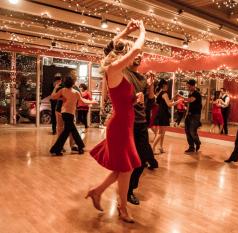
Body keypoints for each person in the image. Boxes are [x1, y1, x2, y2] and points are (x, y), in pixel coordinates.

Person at [87, 19, 145, 223]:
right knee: (127, 168)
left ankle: (98, 192)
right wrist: (142, 29)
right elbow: (137, 48)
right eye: (128, 54)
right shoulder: (113, 69)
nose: (135, 58)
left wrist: (134, 98)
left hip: (125, 125)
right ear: (122, 55)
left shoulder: (121, 73)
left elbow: (123, 99)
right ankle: (122, 208)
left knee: (123, 167)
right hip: (119, 126)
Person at [125, 54, 159, 206]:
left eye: (140, 55)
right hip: (127, 123)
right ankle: (126, 191)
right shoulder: (123, 73)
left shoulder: (143, 79)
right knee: (127, 160)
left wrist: (151, 84)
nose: (138, 57)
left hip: (141, 123)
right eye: (135, 54)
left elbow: (151, 101)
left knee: (142, 159)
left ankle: (128, 188)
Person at [49, 76, 96, 155]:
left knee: (68, 131)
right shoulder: (75, 92)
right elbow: (83, 101)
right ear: (73, 83)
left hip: (64, 113)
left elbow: (53, 96)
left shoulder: (62, 90)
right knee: (70, 131)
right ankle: (77, 147)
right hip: (70, 114)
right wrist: (92, 101)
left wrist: (55, 88)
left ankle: (58, 149)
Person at [152, 79, 178, 154]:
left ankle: (160, 147)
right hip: (163, 114)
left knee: (162, 132)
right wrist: (178, 102)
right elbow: (169, 104)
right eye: (167, 85)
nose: (168, 86)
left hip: (161, 113)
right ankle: (153, 148)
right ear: (164, 85)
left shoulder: (161, 92)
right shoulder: (164, 93)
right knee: (160, 133)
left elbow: (167, 101)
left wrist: (174, 98)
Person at [184, 79, 202, 153]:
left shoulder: (196, 94)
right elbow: (189, 105)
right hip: (189, 115)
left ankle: (197, 142)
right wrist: (186, 114)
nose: (187, 88)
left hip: (195, 115)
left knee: (192, 131)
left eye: (188, 86)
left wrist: (180, 97)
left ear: (193, 86)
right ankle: (191, 147)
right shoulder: (190, 93)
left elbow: (190, 100)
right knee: (187, 131)